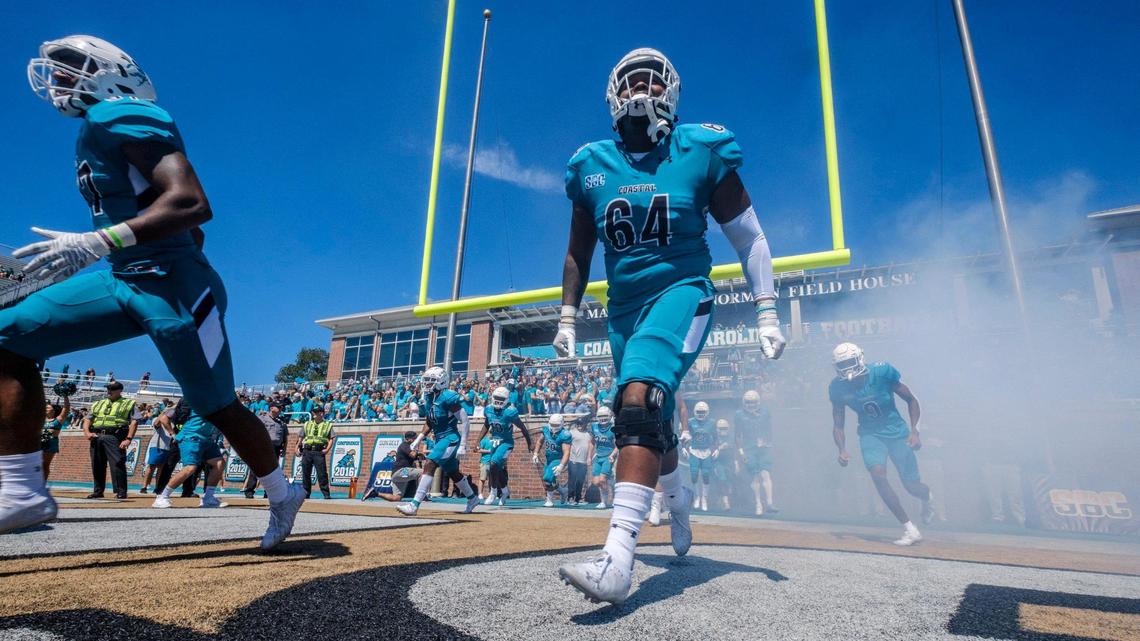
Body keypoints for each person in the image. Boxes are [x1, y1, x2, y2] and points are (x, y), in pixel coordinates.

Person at [0, 36, 303, 545]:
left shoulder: (120, 113)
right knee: (7, 336)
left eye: (72, 66)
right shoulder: (95, 130)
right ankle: (20, 490)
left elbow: (191, 203)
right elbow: (185, 226)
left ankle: (280, 491)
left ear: (113, 71)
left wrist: (101, 239)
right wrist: (112, 246)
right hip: (121, 275)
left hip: (175, 285)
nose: (59, 78)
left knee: (216, 405)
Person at [554, 48, 785, 604]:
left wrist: (767, 306)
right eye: (630, 80)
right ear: (611, 94)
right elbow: (577, 254)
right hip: (624, 309)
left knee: (637, 400)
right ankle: (678, 502)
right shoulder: (591, 165)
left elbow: (749, 237)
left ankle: (618, 560)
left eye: (650, 80)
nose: (640, 89)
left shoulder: (699, 150)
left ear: (670, 92)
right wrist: (566, 316)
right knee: (647, 415)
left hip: (682, 292)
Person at [829, 343, 933, 546]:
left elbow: (911, 399)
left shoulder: (882, 372)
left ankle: (928, 497)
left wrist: (915, 431)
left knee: (911, 486)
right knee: (878, 475)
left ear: (860, 358)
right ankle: (910, 529)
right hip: (870, 434)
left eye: (850, 362)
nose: (848, 368)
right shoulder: (837, 387)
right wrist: (841, 449)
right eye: (843, 364)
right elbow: (838, 422)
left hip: (896, 432)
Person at [396, 367, 480, 516]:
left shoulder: (448, 396)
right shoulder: (429, 397)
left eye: (431, 381)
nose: (427, 384)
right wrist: (420, 438)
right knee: (453, 472)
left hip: (451, 438)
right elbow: (430, 420)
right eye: (426, 381)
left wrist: (463, 444)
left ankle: (414, 505)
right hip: (440, 438)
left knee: (430, 463)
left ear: (441, 381)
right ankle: (472, 498)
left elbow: (465, 420)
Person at [152, 409, 228, 508]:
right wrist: (172, 433)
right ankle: (162, 497)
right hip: (191, 437)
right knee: (190, 467)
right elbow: (164, 416)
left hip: (207, 439)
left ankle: (208, 498)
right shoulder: (200, 401)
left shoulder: (220, 402)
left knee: (219, 463)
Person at [476, 386, 533, 506]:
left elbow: (522, 427)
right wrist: (478, 440)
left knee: (493, 464)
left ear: (506, 399)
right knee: (497, 468)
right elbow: (486, 425)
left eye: (500, 398)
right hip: (494, 442)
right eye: (496, 397)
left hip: (507, 443)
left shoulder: (510, 412)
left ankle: (493, 492)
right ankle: (505, 491)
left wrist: (530, 442)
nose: (497, 400)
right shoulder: (489, 409)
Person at [82, 381, 139, 499]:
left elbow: (135, 421)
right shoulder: (98, 403)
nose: (109, 391)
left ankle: (121, 491)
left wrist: (128, 438)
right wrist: (87, 432)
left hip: (115, 436)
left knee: (117, 463)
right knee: (97, 464)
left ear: (120, 390)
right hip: (97, 435)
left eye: (112, 389)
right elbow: (88, 419)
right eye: (108, 388)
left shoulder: (128, 403)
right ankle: (98, 491)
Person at [735, 390, 777, 516]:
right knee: (755, 476)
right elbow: (737, 435)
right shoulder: (739, 415)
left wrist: (767, 442)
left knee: (766, 474)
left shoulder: (765, 412)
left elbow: (769, 429)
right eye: (748, 402)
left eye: (753, 402)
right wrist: (741, 452)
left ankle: (769, 503)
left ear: (758, 402)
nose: (751, 405)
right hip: (749, 448)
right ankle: (758, 503)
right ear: (744, 402)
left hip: (763, 447)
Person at [243, 403, 287, 498]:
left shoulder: (281, 423)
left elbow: (285, 438)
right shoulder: (262, 418)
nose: (280, 409)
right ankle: (249, 490)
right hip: (262, 446)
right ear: (271, 408)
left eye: (281, 407)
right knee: (256, 469)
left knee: (272, 471)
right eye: (278, 407)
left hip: (275, 448)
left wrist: (284, 449)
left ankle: (269, 493)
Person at [370, 431, 424, 502]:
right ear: (409, 439)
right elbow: (413, 455)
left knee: (397, 498)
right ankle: (422, 497)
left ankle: (375, 493)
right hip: (401, 471)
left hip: (396, 475)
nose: (416, 440)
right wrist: (417, 448)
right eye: (414, 438)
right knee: (423, 472)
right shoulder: (405, 445)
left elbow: (415, 458)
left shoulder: (409, 447)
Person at [681, 401, 716, 512]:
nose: (701, 414)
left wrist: (716, 449)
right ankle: (697, 496)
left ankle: (704, 498)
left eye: (703, 412)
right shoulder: (690, 422)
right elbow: (684, 435)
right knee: (694, 473)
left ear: (707, 412)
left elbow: (716, 437)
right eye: (699, 412)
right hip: (694, 450)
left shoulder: (711, 422)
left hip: (706, 451)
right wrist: (683, 447)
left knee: (705, 474)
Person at [533, 414, 572, 507]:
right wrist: (535, 453)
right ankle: (562, 491)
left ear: (562, 424)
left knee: (547, 478)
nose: (554, 427)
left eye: (556, 425)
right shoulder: (546, 429)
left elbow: (566, 452)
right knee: (548, 480)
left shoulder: (565, 434)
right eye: (552, 425)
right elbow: (539, 441)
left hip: (558, 459)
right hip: (549, 459)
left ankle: (550, 500)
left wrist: (561, 465)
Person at [298, 406, 333, 499]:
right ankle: (306, 493)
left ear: (321, 413)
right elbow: (301, 437)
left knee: (322, 473)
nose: (313, 414)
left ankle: (326, 494)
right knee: (306, 473)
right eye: (313, 412)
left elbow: (331, 439)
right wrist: (296, 448)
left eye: (316, 412)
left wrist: (327, 449)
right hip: (307, 451)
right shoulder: (307, 424)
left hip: (319, 451)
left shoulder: (327, 424)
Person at [139, 407, 172, 494]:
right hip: (157, 446)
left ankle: (157, 487)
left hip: (167, 447)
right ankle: (144, 487)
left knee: (161, 468)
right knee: (151, 467)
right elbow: (156, 423)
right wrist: (165, 411)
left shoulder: (173, 422)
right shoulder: (157, 419)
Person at [589, 406, 617, 509]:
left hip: (609, 456)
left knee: (602, 479)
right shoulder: (594, 426)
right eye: (600, 416)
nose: (603, 418)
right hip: (598, 456)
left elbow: (617, 444)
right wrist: (589, 456)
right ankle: (610, 486)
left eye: (605, 416)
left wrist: (612, 455)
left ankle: (608, 500)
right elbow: (592, 442)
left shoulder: (613, 428)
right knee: (596, 481)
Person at [40, 395, 70, 481]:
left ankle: (42, 483)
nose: (45, 408)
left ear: (53, 410)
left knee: (45, 464)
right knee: (36, 464)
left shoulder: (58, 420)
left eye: (48, 407)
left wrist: (65, 396)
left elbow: (66, 408)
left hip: (50, 443)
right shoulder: (40, 419)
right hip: (39, 443)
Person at [567, 412, 593, 505]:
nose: (579, 425)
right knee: (572, 480)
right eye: (578, 424)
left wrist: (589, 458)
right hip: (573, 460)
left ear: (585, 424)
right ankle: (570, 498)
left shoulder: (589, 434)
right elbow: (567, 446)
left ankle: (578, 498)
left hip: (583, 461)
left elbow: (591, 446)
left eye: (581, 424)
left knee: (580, 480)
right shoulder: (571, 433)